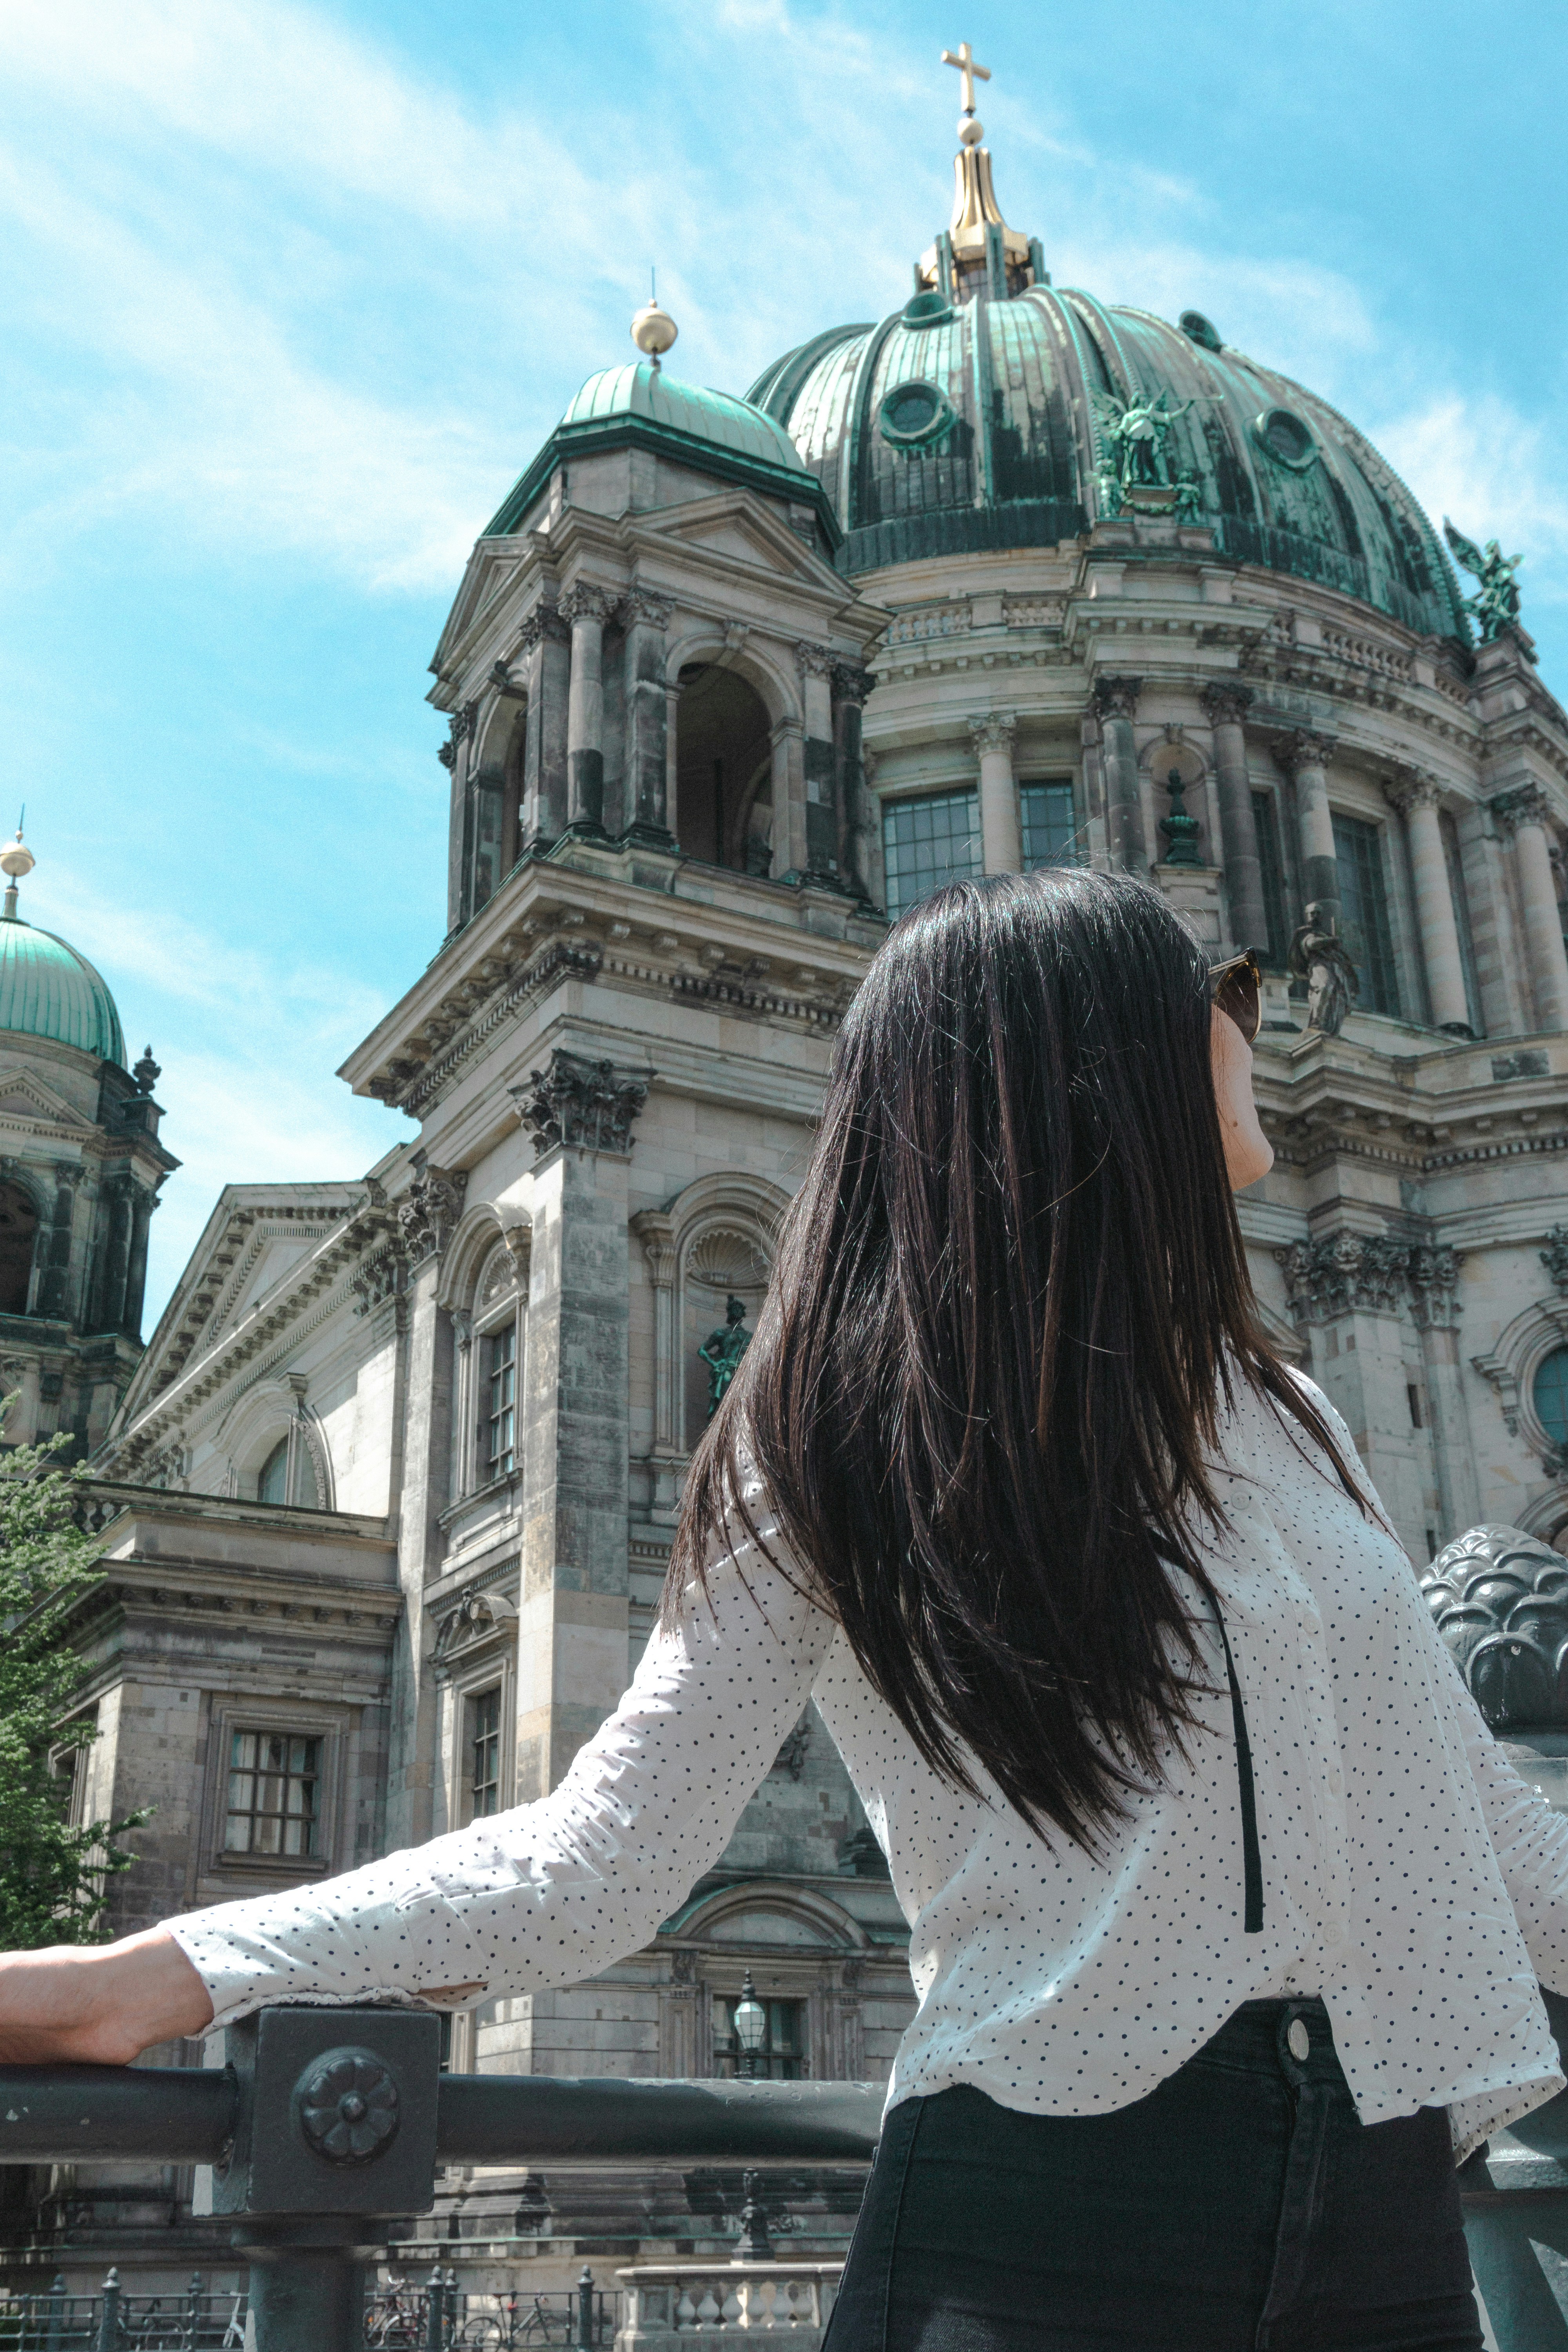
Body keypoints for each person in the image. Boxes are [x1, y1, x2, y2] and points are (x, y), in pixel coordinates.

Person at [0, 871, 1561, 2352]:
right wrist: (161, 1976)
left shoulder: (1291, 1414)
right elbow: (599, 1859)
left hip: (1383, 2211)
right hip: (1040, 2221)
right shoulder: (834, 1434)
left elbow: (1487, 1821)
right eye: (1217, 991)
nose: (1251, 1021)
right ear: (1091, 1054)